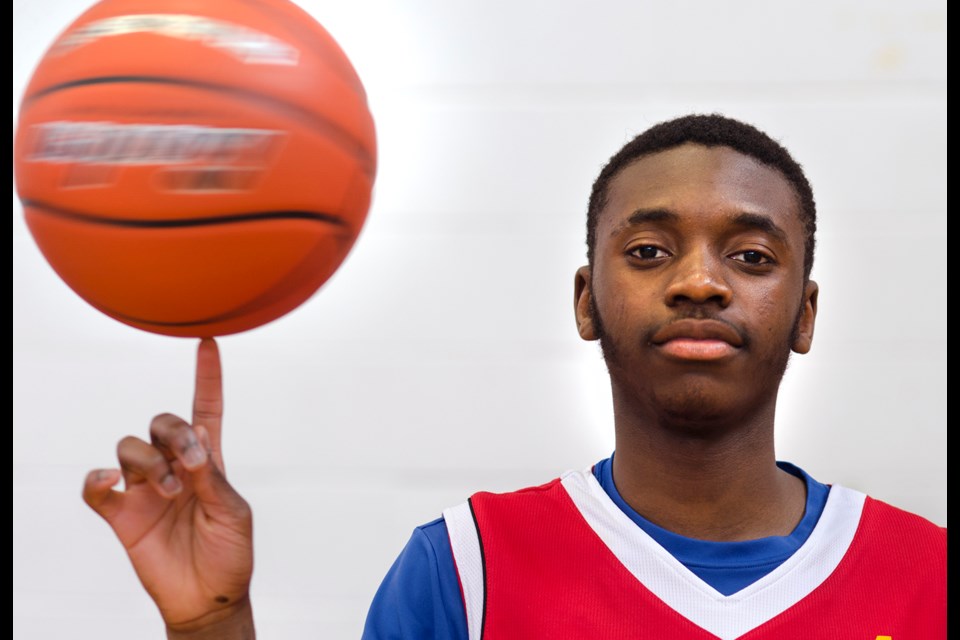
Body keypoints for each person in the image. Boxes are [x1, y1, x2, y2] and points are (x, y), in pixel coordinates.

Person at [82, 114, 946, 639]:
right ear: (586, 300)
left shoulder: (927, 577)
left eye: (751, 256)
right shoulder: (462, 571)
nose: (698, 281)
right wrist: (210, 627)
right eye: (648, 251)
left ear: (804, 313)